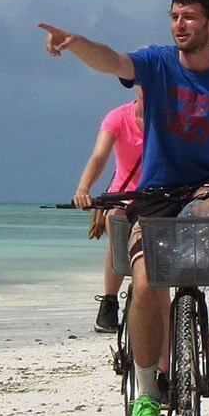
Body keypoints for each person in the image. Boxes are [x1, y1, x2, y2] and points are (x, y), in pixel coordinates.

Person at [36, 0, 209, 416]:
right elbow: (114, 61)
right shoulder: (157, 61)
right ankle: (147, 396)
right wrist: (76, 42)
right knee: (146, 284)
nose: (180, 24)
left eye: (189, 16)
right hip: (157, 191)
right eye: (174, 16)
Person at [73, 88, 145, 333]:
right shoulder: (118, 117)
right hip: (122, 197)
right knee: (116, 222)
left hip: (156, 196)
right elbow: (99, 157)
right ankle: (110, 300)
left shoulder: (170, 120)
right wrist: (83, 189)